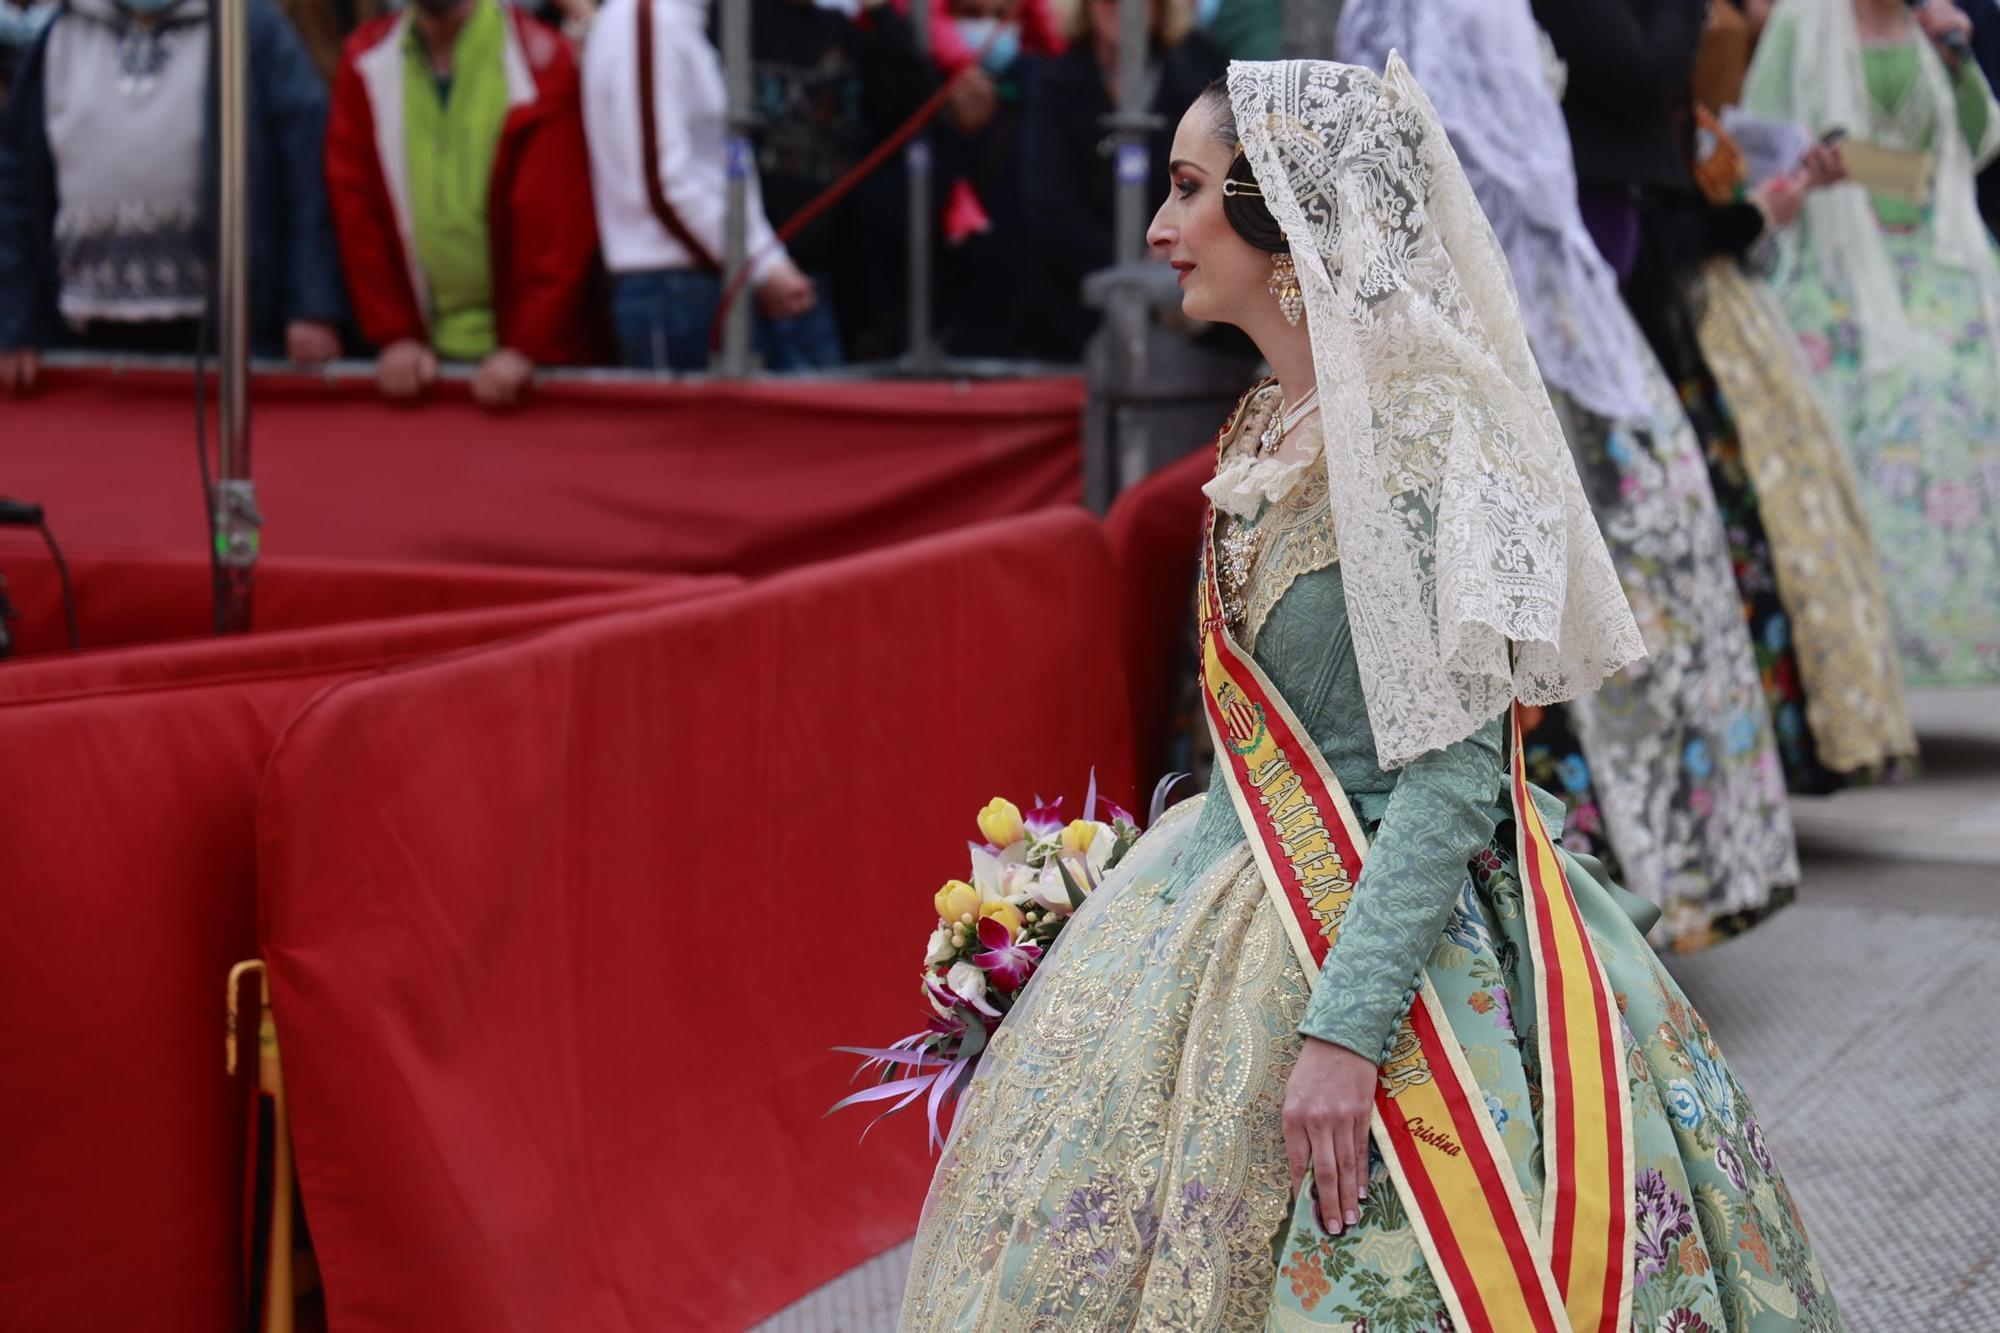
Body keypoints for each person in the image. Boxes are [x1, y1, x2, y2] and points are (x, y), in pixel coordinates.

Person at [900, 59, 1844, 1329]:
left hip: (1406, 943)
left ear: (1279, 214)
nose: (1157, 231)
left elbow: (1455, 772)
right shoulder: (1262, 424)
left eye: (1185, 193)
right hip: (1242, 888)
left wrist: (1344, 1034)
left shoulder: (1437, 442)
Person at [1340, 0, 1812, 947]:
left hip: (1537, 304)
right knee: (1532, 600)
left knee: (1571, 586)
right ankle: (1548, 906)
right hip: (1518, 320)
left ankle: (1579, 900)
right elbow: (1567, 119)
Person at [1745, 0, 2000, 685]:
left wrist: (1957, 58)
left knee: (1969, 387)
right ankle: (1860, 668)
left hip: (1936, 256)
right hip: (1833, 259)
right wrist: (1810, 169)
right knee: (1869, 402)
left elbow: (1976, 145)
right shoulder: (1801, 22)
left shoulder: (1935, 25)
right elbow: (1758, 143)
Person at [0, 0, 343, 394]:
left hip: (229, 340)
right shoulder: (63, 33)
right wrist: (15, 320)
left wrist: (313, 306)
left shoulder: (249, 25)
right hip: (84, 337)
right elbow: (13, 181)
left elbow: (308, 164)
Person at [325, 0, 599, 409]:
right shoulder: (366, 60)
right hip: (419, 366)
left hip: (529, 368)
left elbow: (560, 221)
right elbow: (357, 211)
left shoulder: (542, 60)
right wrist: (395, 334)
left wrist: (528, 345)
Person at [581, 0, 828, 372]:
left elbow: (720, 166)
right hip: (673, 286)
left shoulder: (682, 20)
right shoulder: (649, 18)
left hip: (703, 280)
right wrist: (759, 266)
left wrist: (767, 260)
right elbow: (664, 182)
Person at [1014, 0, 1218, 360]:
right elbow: (1048, 203)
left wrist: (1174, 247)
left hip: (1186, 298)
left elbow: (1215, 183)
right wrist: (1129, 263)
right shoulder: (1053, 82)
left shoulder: (1200, 74)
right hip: (1075, 307)